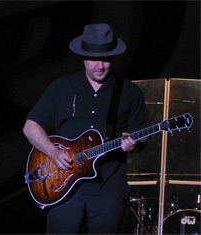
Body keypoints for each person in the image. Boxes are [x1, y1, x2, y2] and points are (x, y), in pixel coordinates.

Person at [23, 23, 151, 234]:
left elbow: (142, 133)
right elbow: (30, 127)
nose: (100, 65)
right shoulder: (62, 87)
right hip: (62, 185)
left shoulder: (129, 92)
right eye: (94, 59)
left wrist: (133, 143)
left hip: (109, 188)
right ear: (83, 57)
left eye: (106, 59)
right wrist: (53, 152)